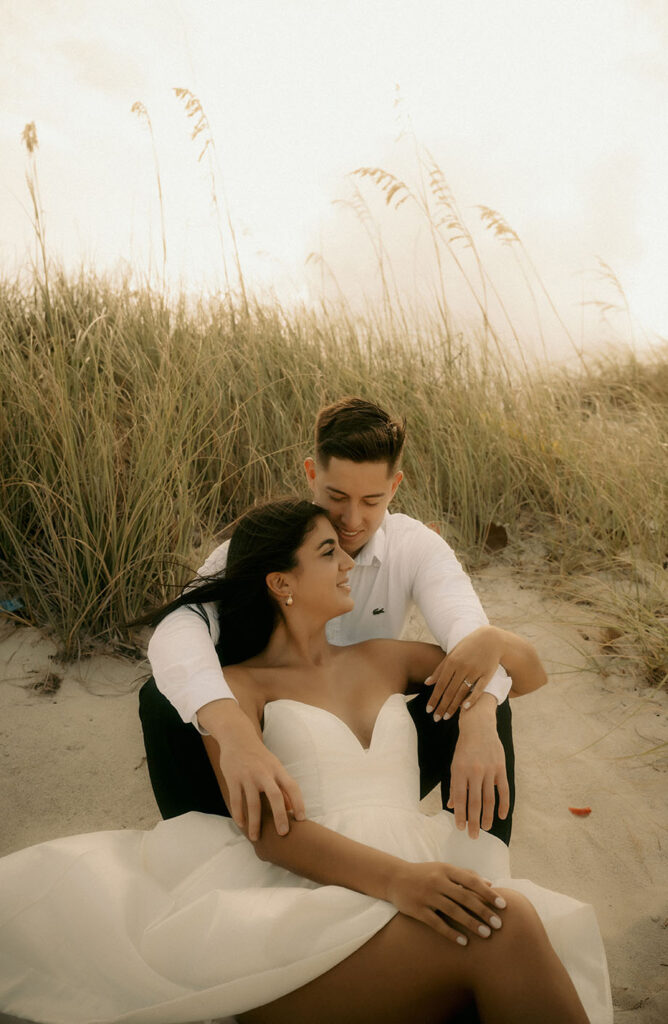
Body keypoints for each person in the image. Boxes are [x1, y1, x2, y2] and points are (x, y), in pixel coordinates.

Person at [0, 499, 612, 1023]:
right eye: (328, 552)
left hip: (418, 867)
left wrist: (491, 641)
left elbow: (529, 676)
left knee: (513, 924)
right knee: (508, 930)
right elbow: (268, 834)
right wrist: (401, 881)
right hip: (303, 914)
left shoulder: (385, 659)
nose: (350, 561)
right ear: (280, 583)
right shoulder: (243, 687)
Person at [141, 397, 516, 846]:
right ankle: (199, 853)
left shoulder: (416, 548)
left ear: (395, 487)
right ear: (311, 474)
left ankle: (480, 863)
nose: (351, 520)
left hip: (367, 760)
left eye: (371, 500)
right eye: (336, 497)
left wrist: (480, 718)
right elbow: (178, 630)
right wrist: (233, 729)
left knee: (481, 697)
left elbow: (469, 635)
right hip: (267, 751)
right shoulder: (272, 545)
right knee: (161, 698)